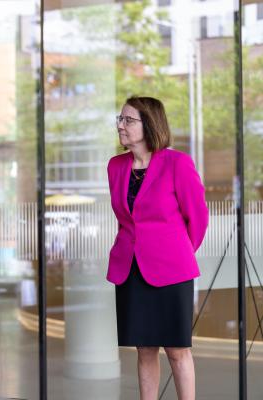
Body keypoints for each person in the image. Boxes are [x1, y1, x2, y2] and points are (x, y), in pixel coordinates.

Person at [107, 96, 208, 400]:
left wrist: (175, 253)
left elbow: (198, 218)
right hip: (130, 270)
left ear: (148, 124)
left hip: (171, 271)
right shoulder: (116, 166)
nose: (120, 126)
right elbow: (127, 219)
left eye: (128, 120)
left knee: (177, 350)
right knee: (144, 348)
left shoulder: (177, 163)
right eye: (120, 119)